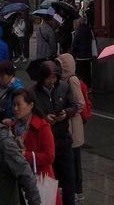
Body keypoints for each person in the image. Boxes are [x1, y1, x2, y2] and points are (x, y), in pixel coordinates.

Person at [30, 59, 76, 205]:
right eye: (48, 77)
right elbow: (31, 112)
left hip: (63, 140)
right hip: (45, 143)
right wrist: (44, 118)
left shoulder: (63, 87)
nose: (52, 80)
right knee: (49, 181)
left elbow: (73, 105)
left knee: (69, 179)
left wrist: (66, 113)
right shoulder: (32, 92)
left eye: (54, 77)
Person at [10, 89, 62, 205]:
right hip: (20, 179)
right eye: (13, 105)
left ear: (31, 105)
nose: (15, 108)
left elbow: (49, 156)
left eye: (19, 104)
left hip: (40, 178)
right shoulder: (13, 127)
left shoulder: (42, 126)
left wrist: (25, 155)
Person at [56, 53, 86, 202]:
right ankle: (72, 188)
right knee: (70, 158)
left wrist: (69, 111)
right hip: (68, 122)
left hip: (73, 123)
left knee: (75, 158)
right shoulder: (62, 81)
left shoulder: (72, 80)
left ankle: (78, 190)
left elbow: (80, 103)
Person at [71, 16, 95, 89]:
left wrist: (74, 53)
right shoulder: (89, 30)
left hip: (80, 56)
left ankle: (81, 86)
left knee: (80, 72)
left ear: (79, 23)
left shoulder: (78, 32)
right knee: (87, 72)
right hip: (88, 55)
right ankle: (88, 87)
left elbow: (75, 44)